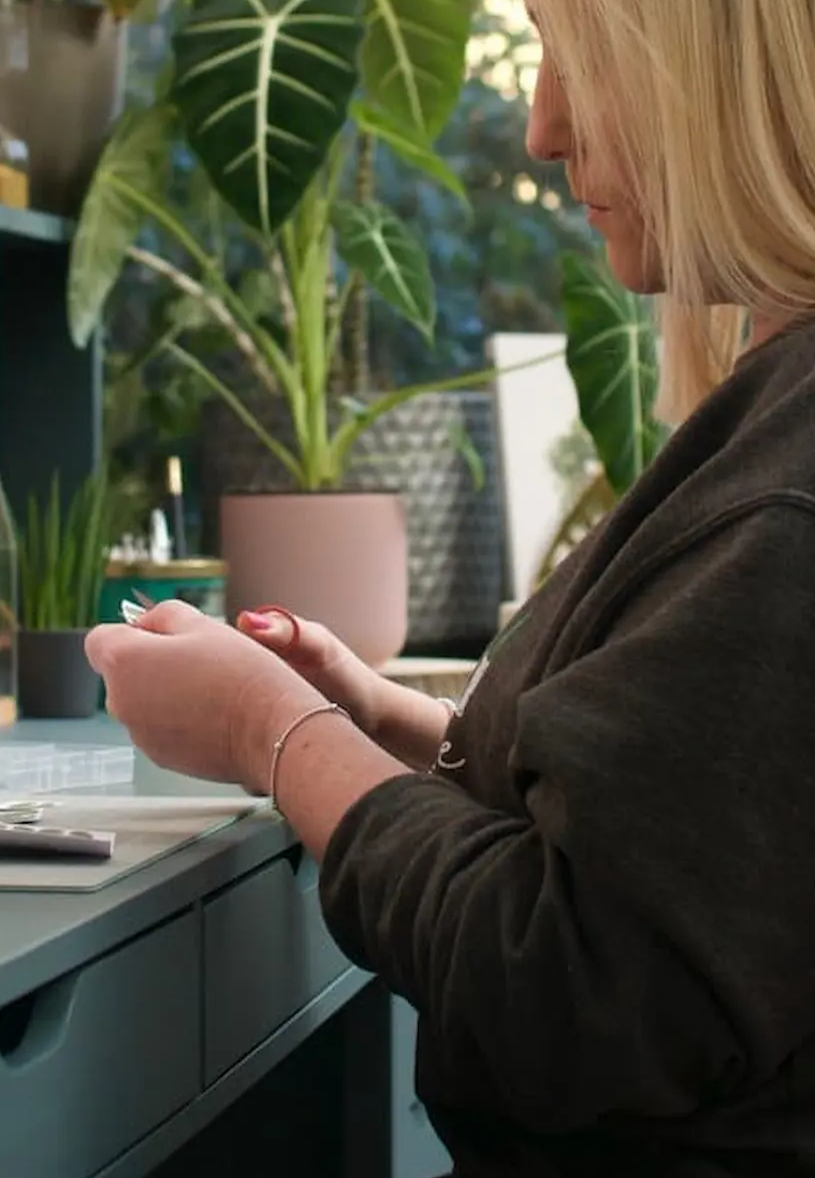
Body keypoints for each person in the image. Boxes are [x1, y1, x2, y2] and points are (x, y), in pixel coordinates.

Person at [86, 2, 815, 1174]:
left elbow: (568, 989)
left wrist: (275, 733)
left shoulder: (788, 487)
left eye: (574, 59)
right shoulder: (775, 417)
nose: (541, 126)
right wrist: (389, 727)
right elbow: (691, 836)